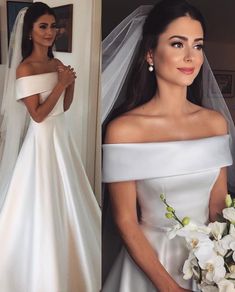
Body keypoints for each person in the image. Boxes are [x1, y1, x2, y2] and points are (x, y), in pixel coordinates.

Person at [102, 0, 233, 291]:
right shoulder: (124, 130)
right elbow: (125, 221)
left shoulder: (214, 123)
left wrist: (224, 269)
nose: (190, 57)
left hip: (206, 266)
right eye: (177, 44)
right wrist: (169, 287)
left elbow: (217, 208)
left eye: (197, 46)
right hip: (149, 267)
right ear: (150, 53)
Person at [0, 2, 100, 292]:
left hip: (62, 138)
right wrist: (61, 84)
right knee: (42, 197)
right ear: (30, 31)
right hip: (41, 142)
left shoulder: (56, 64)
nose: (50, 32)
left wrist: (70, 84)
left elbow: (64, 108)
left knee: (71, 195)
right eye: (43, 26)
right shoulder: (25, 68)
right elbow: (39, 115)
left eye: (53, 26)